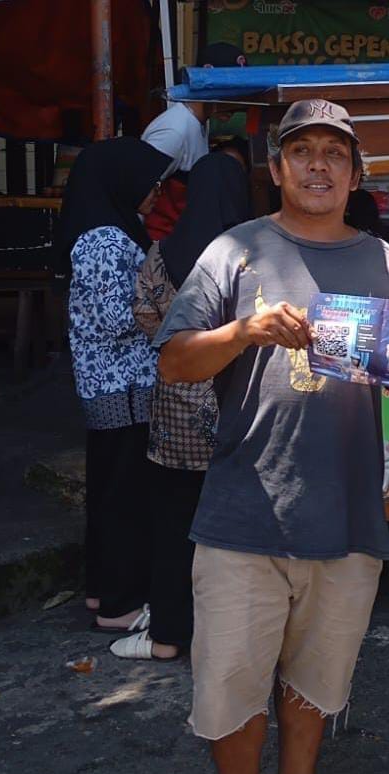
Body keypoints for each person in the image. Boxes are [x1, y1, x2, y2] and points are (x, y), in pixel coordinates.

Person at [155, 99, 389, 774]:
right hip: (245, 506)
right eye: (301, 151)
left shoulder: (384, 262)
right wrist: (243, 333)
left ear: (354, 173)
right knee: (229, 681)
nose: (318, 166)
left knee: (316, 680)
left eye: (335, 154)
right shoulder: (234, 252)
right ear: (276, 168)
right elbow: (173, 362)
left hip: (345, 510)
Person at [115, 150, 252, 662]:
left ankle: (171, 634)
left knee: (176, 527)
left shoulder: (164, 250)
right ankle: (235, 640)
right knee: (239, 535)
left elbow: (144, 311)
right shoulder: (254, 253)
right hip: (239, 405)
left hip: (176, 409)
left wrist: (178, 345)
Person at [57, 137, 171, 631]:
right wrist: (168, 310)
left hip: (112, 387)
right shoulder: (104, 239)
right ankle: (121, 604)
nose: (156, 195)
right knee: (125, 495)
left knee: (111, 490)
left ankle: (103, 590)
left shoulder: (102, 230)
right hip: (122, 388)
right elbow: (115, 317)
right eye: (150, 186)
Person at [142, 42, 247, 241]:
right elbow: (136, 195)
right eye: (231, 88)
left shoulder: (200, 123)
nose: (237, 98)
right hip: (159, 247)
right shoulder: (174, 131)